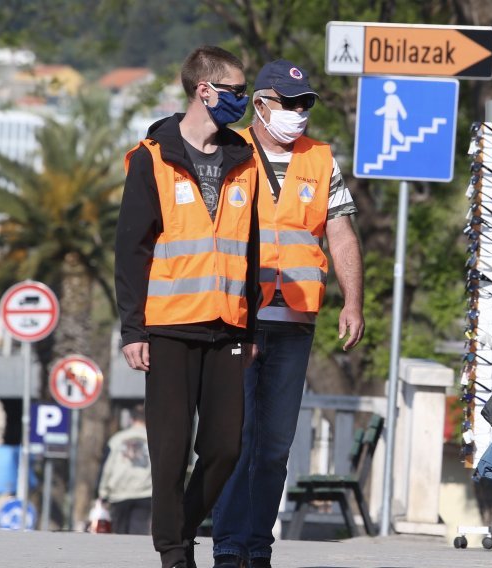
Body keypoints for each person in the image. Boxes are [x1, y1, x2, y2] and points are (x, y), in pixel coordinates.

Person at [211, 59, 365, 568]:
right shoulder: (230, 151)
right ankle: (229, 542)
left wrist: (353, 302)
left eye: (306, 104)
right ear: (260, 104)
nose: (299, 113)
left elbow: (340, 232)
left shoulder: (321, 159)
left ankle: (257, 545)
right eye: (290, 103)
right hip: (237, 317)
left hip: (296, 321)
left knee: (275, 445)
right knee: (238, 436)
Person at [115, 45, 260, 568]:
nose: (242, 101)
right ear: (206, 90)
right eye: (237, 91)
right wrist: (132, 330)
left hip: (227, 327)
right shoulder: (152, 158)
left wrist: (254, 327)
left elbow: (252, 248)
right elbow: (132, 249)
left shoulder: (244, 158)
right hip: (169, 328)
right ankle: (175, 555)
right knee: (171, 452)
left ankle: (177, 526)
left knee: (224, 448)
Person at [97, 405, 152, 535]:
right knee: (139, 530)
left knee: (119, 532)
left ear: (131, 419)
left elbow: (108, 468)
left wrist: (103, 492)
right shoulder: (154, 439)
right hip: (145, 492)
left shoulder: (117, 439)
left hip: (119, 492)